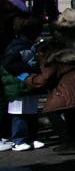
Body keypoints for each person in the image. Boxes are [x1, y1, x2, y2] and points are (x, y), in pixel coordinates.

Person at [24, 41, 75, 154]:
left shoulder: (54, 60)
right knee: (71, 114)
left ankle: (68, 142)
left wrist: (28, 79)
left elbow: (43, 80)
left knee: (52, 111)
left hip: (70, 87)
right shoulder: (73, 59)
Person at [1, 17, 45, 151]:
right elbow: (8, 64)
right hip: (18, 86)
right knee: (19, 114)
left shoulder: (27, 45)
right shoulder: (15, 47)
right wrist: (27, 71)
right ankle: (18, 140)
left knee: (31, 112)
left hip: (28, 85)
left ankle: (32, 137)